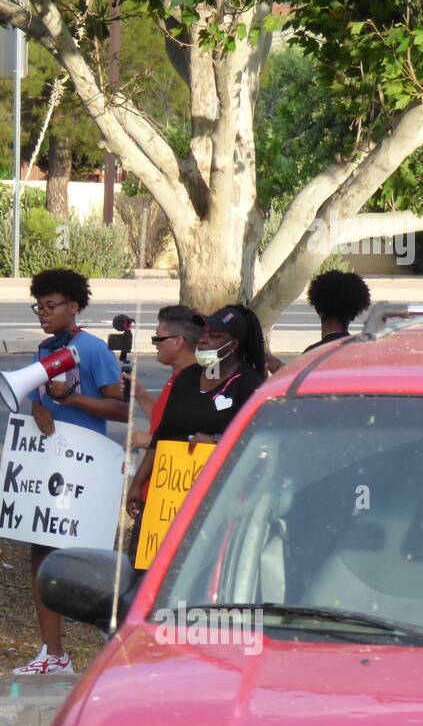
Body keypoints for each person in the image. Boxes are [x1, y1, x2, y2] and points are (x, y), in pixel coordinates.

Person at [15, 269, 124, 677]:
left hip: (85, 469)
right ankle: (53, 652)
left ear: (73, 306)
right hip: (52, 466)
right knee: (41, 554)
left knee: (82, 562)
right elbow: (38, 399)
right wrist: (40, 407)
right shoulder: (44, 350)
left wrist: (74, 399)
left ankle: (112, 646)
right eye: (38, 306)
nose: (43, 313)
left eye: (50, 305)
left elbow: (121, 408)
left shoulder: (93, 351)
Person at [128, 304, 266, 518]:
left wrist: (216, 440)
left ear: (233, 345)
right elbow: (161, 436)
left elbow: (256, 440)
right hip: (169, 497)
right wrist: (137, 484)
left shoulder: (248, 384)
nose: (204, 340)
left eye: (215, 336)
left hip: (218, 501)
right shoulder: (187, 377)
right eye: (203, 334)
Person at [267, 270, 372, 373]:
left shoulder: (312, 354)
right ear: (353, 315)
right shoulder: (363, 354)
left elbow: (294, 382)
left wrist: (273, 364)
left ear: (318, 309)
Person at [127, 305, 200, 450]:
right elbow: (163, 423)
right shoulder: (178, 378)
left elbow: (194, 443)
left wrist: (151, 441)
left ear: (178, 342)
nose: (155, 344)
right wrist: (139, 392)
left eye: (158, 338)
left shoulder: (196, 384)